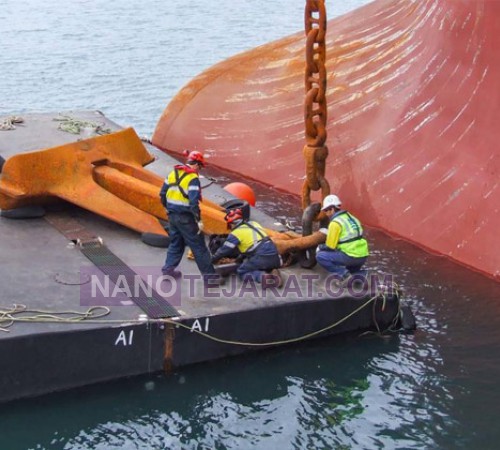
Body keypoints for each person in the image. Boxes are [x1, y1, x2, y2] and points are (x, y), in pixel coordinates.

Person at [159, 150, 221, 284]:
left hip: (172, 216)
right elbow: (193, 202)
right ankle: (210, 279)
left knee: (176, 243)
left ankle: (168, 271)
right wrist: (198, 220)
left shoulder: (172, 173)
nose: (200, 170)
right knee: (199, 247)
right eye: (200, 167)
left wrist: (167, 208)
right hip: (186, 218)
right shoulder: (192, 178)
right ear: (197, 165)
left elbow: (162, 193)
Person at [211, 209, 283, 287]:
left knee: (242, 271)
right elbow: (252, 244)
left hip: (261, 256)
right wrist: (239, 259)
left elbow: (223, 251)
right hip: (276, 257)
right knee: (257, 263)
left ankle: (267, 279)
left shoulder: (236, 233)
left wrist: (212, 259)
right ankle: (272, 270)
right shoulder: (254, 223)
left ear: (232, 224)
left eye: (229, 225)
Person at [316, 194, 369, 279]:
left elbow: (330, 246)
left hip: (351, 256)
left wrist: (320, 247)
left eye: (326, 210)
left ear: (332, 209)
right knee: (352, 272)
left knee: (320, 256)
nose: (325, 213)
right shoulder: (351, 217)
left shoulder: (335, 223)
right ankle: (362, 274)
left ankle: (344, 275)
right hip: (363, 256)